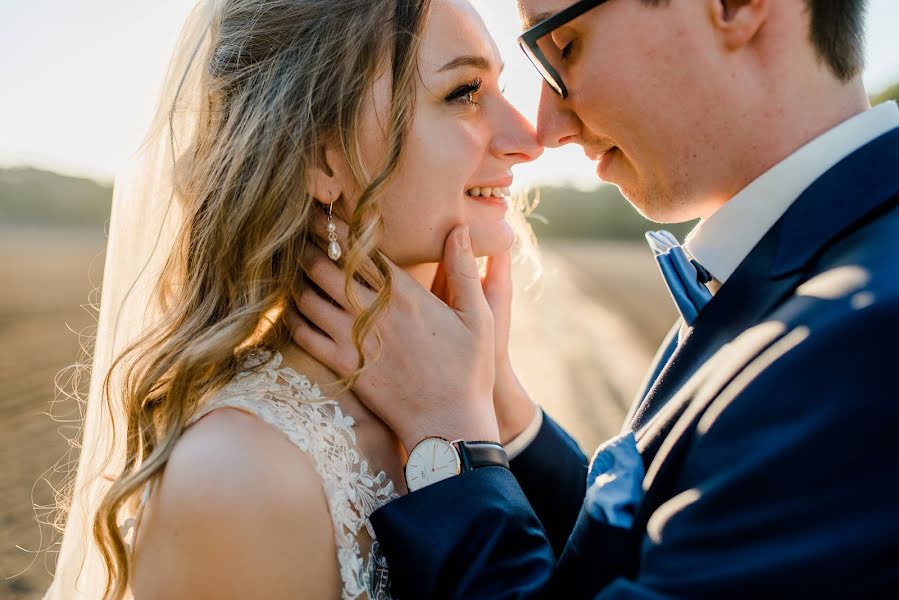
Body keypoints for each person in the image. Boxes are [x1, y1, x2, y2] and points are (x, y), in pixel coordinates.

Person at [291, 0, 899, 597]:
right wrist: (500, 407)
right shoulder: (803, 277)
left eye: (566, 45)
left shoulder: (867, 338)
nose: (547, 128)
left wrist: (452, 445)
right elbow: (648, 557)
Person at [44, 0, 543, 598]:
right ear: (323, 157)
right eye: (464, 91)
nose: (526, 138)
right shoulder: (240, 476)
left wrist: (493, 402)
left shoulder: (456, 407)